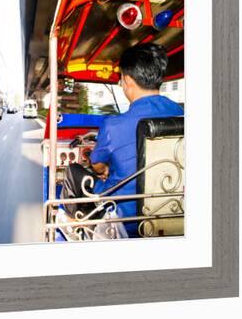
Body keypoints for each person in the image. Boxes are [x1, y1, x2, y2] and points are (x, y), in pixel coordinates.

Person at [64, 43, 184, 237]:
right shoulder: (182, 114)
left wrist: (106, 169)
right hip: (171, 212)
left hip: (123, 218)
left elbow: (97, 167)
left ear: (127, 80)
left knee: (73, 170)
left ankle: (80, 224)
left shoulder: (113, 126)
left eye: (121, 79)